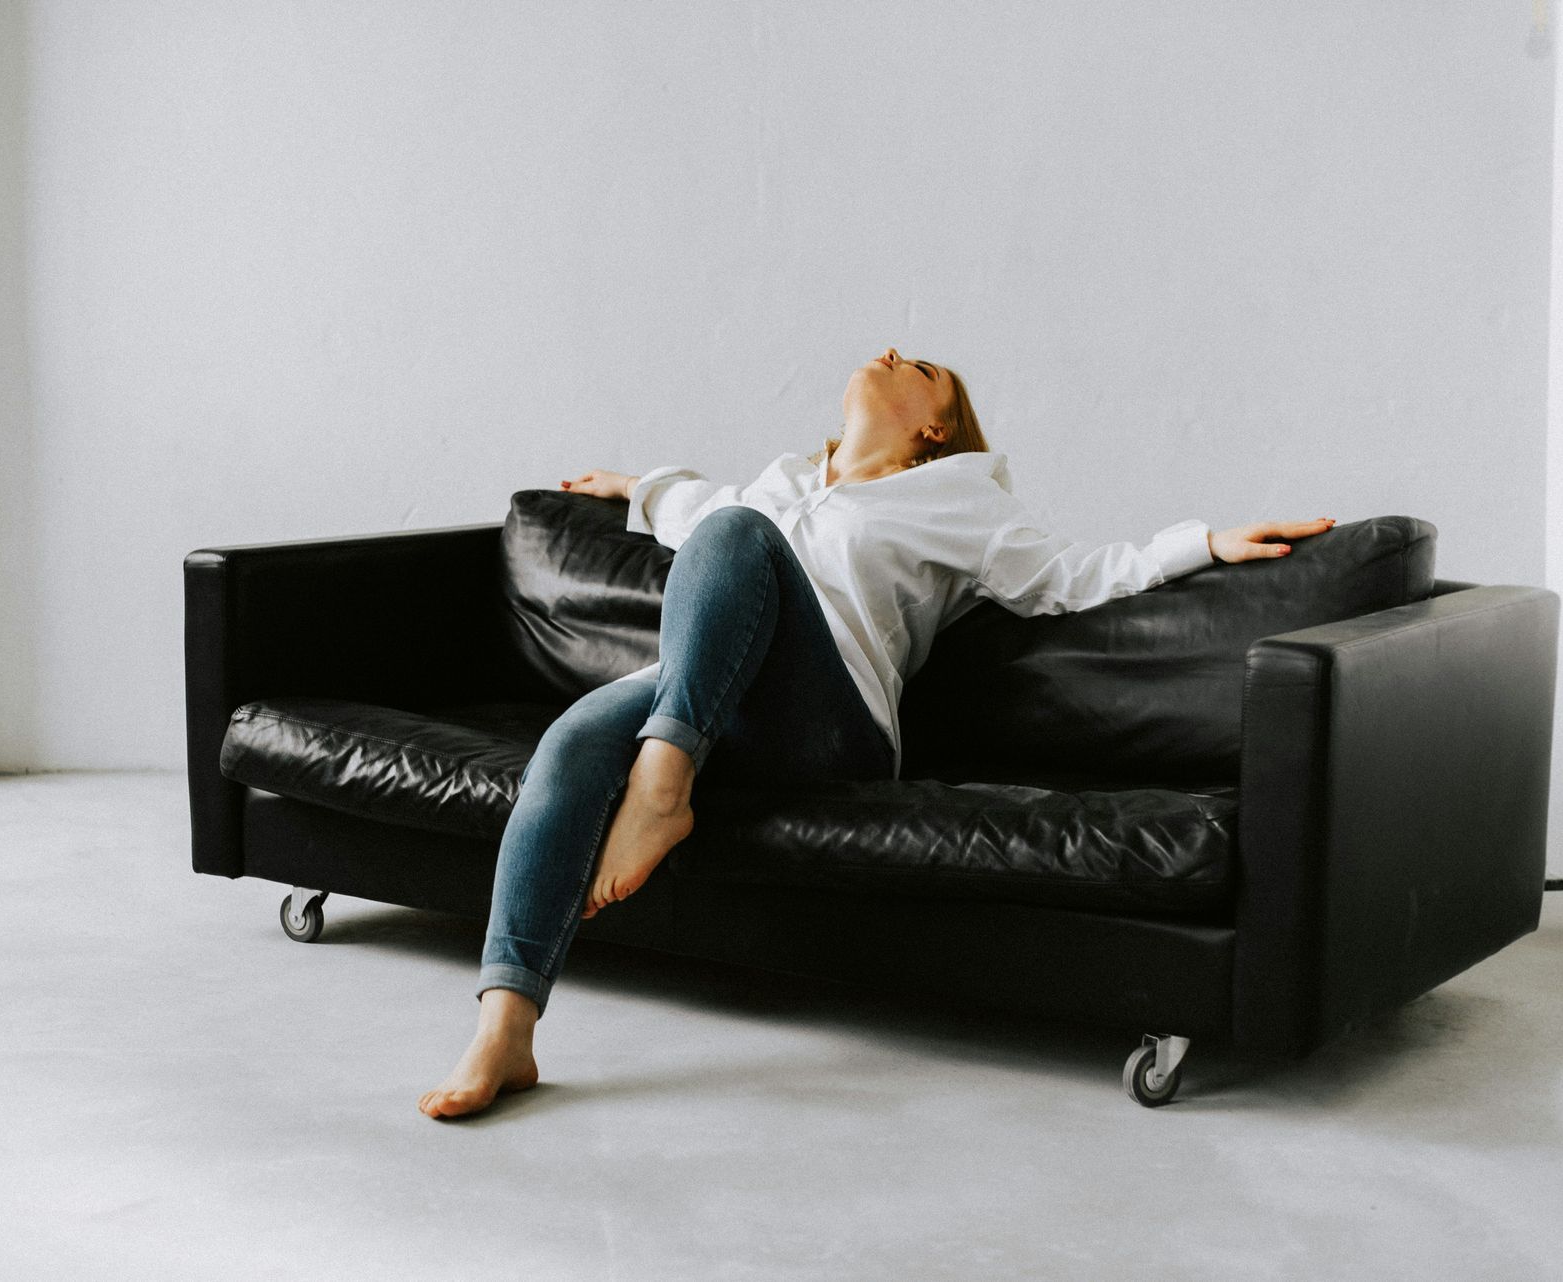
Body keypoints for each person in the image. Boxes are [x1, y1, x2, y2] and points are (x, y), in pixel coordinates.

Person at [417, 347, 1335, 1119]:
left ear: (937, 426)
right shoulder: (780, 484)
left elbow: (1073, 574)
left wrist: (1205, 543)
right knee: (576, 734)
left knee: (737, 532)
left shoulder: (961, 499)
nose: (893, 354)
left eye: (923, 368)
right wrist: (634, 488)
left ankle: (662, 792)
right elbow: (698, 512)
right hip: (707, 705)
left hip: (828, 728)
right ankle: (507, 1028)